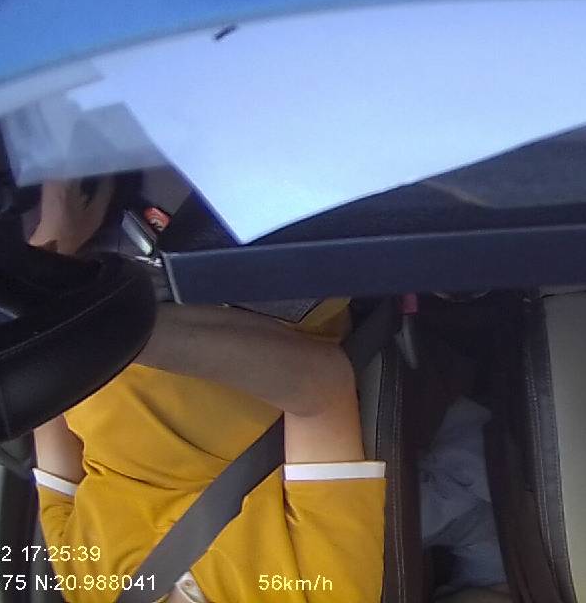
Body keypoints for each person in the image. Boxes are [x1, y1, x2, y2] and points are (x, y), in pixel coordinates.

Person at [28, 179, 384, 602]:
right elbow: (322, 387)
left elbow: (37, 385)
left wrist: (48, 254)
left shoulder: (83, 586)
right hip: (258, 281)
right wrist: (123, 331)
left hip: (99, 274)